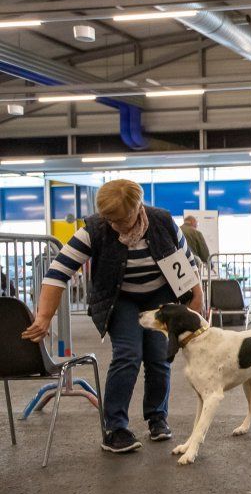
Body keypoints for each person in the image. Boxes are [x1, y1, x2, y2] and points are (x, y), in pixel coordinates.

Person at [21, 179, 203, 453]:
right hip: (119, 299)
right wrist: (44, 317)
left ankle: (157, 417)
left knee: (159, 356)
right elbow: (58, 273)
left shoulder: (163, 222)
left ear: (138, 207)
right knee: (128, 353)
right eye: (109, 219)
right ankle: (115, 428)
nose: (114, 225)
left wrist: (196, 314)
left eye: (121, 218)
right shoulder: (94, 229)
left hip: (159, 297)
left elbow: (189, 270)